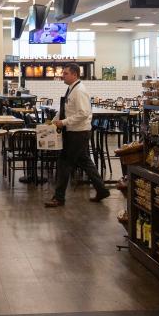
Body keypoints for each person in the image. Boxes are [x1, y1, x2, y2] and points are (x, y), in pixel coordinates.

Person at [45, 63, 109, 208]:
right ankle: (102, 190)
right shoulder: (71, 89)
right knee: (85, 161)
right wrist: (53, 121)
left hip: (78, 133)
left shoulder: (79, 91)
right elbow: (66, 110)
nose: (63, 75)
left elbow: (83, 113)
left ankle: (59, 198)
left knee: (64, 163)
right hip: (75, 131)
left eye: (66, 73)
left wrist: (64, 122)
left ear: (74, 74)